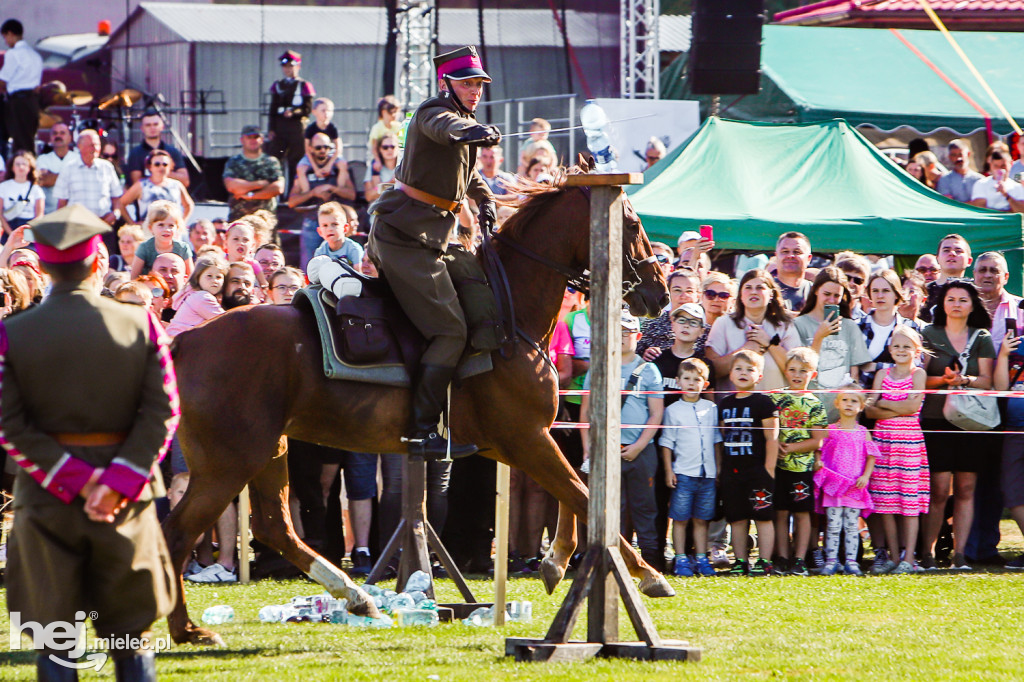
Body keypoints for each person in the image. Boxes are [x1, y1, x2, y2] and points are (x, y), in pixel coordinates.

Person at [0, 204, 177, 679]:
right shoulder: (140, 324)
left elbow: (9, 427)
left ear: (44, 268)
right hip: (126, 501)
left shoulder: (10, 334)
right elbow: (164, 414)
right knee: (129, 637)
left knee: (55, 642)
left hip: (45, 499)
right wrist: (114, 483)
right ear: (98, 263)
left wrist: (76, 481)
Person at [365, 45, 499, 460]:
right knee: (450, 332)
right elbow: (448, 129)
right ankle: (422, 430)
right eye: (467, 83)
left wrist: (486, 198)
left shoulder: (466, 118)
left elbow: (466, 170)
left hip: (428, 240)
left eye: (478, 84)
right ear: (448, 84)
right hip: (403, 240)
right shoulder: (431, 111)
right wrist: (471, 131)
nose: (475, 91)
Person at [920, 280, 994, 571]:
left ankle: (960, 556)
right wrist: (943, 381)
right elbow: (919, 379)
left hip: (971, 421)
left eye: (963, 300)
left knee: (965, 488)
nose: (957, 304)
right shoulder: (928, 333)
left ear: (972, 304)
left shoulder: (982, 336)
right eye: (951, 299)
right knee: (938, 490)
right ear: (943, 303)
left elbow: (989, 382)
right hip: (936, 420)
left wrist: (964, 381)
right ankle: (926, 554)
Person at [581, 312, 664, 570]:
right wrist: (588, 449)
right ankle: (612, 559)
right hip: (605, 451)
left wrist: (639, 446)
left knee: (645, 507)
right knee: (611, 510)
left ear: (638, 337)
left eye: (627, 332)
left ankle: (651, 560)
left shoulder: (650, 370)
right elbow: (585, 413)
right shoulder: (599, 367)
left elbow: (656, 413)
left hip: (642, 451)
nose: (622, 337)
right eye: (617, 331)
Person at [865, 325, 929, 575]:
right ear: (890, 349)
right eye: (897, 346)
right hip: (883, 443)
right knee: (886, 501)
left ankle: (909, 557)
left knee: (909, 502)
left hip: (909, 443)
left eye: (906, 346)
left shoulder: (918, 374)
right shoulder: (882, 374)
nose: (901, 350)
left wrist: (884, 403)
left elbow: (913, 408)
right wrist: (897, 406)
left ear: (916, 350)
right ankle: (893, 556)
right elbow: (869, 410)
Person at [719, 350, 779, 577]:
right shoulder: (724, 403)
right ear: (730, 374)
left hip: (758, 470)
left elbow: (772, 436)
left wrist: (769, 468)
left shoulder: (763, 402)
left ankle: (764, 561)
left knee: (763, 516)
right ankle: (740, 560)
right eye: (738, 369)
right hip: (732, 470)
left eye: (750, 369)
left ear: (759, 376)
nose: (743, 373)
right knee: (736, 517)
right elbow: (723, 436)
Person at [659, 358, 720, 577]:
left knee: (702, 519)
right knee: (680, 518)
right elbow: (666, 443)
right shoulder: (673, 410)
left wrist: (718, 469)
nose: (692, 383)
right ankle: (681, 558)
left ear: (705, 383)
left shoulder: (711, 408)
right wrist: (669, 470)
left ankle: (702, 558)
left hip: (708, 475)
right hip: (683, 473)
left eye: (697, 379)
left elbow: (716, 440)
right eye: (687, 379)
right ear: (678, 381)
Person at [771, 348, 828, 576]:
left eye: (803, 371)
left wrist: (791, 448)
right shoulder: (775, 397)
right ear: (785, 371)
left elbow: (818, 441)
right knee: (781, 512)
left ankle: (799, 559)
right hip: (777, 467)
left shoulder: (814, 404)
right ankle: (782, 557)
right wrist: (774, 446)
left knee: (802, 513)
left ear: (812, 375)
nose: (797, 375)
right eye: (793, 370)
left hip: (802, 468)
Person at [793, 267, 872, 420]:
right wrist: (818, 338)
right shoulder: (798, 324)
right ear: (816, 291)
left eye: (837, 296)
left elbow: (854, 373)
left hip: (840, 412)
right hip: (807, 408)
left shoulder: (849, 326)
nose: (831, 300)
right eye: (827, 294)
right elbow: (798, 368)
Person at [814, 386, 877, 576]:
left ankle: (851, 561)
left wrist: (865, 476)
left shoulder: (863, 432)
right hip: (833, 486)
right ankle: (831, 560)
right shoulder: (830, 430)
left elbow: (871, 456)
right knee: (832, 525)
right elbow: (820, 448)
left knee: (851, 525)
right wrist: (818, 461)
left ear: (861, 406)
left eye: (854, 401)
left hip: (853, 487)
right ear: (837, 403)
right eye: (845, 400)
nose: (849, 404)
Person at [705, 269, 800, 392]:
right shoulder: (724, 323)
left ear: (771, 294)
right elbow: (712, 371)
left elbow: (796, 372)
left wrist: (770, 343)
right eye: (748, 287)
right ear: (741, 295)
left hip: (776, 405)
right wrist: (746, 350)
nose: (753, 292)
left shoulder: (785, 325)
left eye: (760, 288)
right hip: (734, 406)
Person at [288, 134, 355, 267]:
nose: (323, 150)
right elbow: (292, 201)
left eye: (326, 147)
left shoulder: (338, 167)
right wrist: (313, 192)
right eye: (318, 147)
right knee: (310, 266)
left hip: (336, 223)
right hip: (313, 222)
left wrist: (332, 188)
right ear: (311, 149)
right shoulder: (304, 170)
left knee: (341, 265)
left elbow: (352, 194)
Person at [858, 269, 919, 390]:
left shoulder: (910, 328)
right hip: (859, 398)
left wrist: (875, 366)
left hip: (897, 397)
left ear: (896, 293)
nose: (880, 296)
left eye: (886, 291)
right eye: (875, 291)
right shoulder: (858, 326)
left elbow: (915, 366)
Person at [994, 329, 1024, 569]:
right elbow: (1001, 388)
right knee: (1011, 489)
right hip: (1013, 427)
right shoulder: (1015, 342)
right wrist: (1004, 354)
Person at [54, 129, 124, 226]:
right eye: (91, 145)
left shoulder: (107, 167)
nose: (95, 148)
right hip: (77, 225)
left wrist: (115, 214)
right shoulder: (68, 169)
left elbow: (116, 197)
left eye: (97, 145)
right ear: (80, 146)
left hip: (103, 224)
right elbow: (62, 203)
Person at [266, 50, 315, 185]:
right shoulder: (278, 85)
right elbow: (273, 109)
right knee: (275, 159)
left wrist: (294, 112)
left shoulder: (304, 85)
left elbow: (307, 108)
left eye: (291, 66)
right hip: (280, 127)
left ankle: (294, 190)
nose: (288, 69)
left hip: (296, 128)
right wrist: (271, 129)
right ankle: (275, 190)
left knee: (296, 160)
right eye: (285, 66)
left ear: (297, 66)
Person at [638, 268, 705, 360]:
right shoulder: (652, 324)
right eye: (677, 290)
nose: (683, 296)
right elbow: (635, 354)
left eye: (689, 291)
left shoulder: (704, 328)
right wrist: (644, 355)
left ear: (698, 295)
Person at [222, 124, 285, 222]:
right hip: (239, 218)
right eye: (249, 137)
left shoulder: (271, 162)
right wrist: (261, 184)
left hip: (265, 219)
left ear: (262, 139)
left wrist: (250, 195)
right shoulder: (234, 162)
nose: (253, 140)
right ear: (242, 140)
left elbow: (278, 188)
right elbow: (232, 186)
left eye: (256, 137)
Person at [0, 19, 42, 155]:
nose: (6, 41)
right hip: (32, 101)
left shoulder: (14, 54)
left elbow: (3, 80)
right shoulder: (35, 56)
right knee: (28, 139)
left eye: (5, 37)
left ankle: (24, 170)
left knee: (20, 142)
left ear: (10, 34)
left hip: (18, 102)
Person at [120, 149, 194, 224]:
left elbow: (189, 205)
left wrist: (182, 223)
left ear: (171, 166)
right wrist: (132, 224)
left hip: (171, 231)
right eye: (157, 164)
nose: (161, 167)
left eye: (165, 164)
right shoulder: (141, 185)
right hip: (148, 232)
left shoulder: (177, 185)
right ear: (150, 167)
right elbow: (121, 204)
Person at [165, 255, 228, 337]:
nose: (214, 280)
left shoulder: (193, 294)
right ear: (198, 278)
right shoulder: (202, 297)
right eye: (209, 276)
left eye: (218, 277)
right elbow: (225, 321)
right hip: (179, 343)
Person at [130, 201, 194, 279]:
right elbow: (134, 278)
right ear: (151, 228)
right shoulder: (144, 248)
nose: (166, 229)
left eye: (171, 225)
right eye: (161, 225)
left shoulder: (183, 248)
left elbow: (191, 279)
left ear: (177, 227)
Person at [126, 110, 189, 188]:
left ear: (162, 126)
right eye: (148, 125)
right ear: (142, 128)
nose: (152, 128)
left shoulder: (173, 151)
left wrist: (160, 171)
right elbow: (136, 182)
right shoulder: (135, 153)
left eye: (155, 124)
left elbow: (185, 181)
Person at [922, 233, 972, 324]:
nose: (952, 254)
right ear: (937, 259)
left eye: (958, 251)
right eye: (946, 250)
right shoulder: (924, 291)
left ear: (969, 261)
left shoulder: (976, 292)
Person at [0, 150, 44, 235]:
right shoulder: (3, 187)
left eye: (24, 164)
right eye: (17, 164)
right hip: (8, 227)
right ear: (12, 167)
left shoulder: (36, 189)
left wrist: (26, 233)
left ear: (30, 167)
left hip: (29, 229)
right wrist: (10, 233)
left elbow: (39, 215)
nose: (21, 167)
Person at [35, 121, 75, 213]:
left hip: (73, 212)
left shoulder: (77, 158)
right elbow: (43, 180)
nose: (58, 136)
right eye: (55, 133)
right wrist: (72, 176)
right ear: (50, 138)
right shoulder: (43, 159)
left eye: (62, 133)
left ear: (70, 138)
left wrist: (53, 176)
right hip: (49, 213)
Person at [970, 147, 1024, 213]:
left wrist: (1006, 195)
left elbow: (1021, 211)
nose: (999, 170)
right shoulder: (981, 184)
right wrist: (1008, 212)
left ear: (1011, 164)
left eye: (1003, 166)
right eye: (996, 166)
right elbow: (980, 209)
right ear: (990, 165)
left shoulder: (1018, 187)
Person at [313, 201, 364, 268]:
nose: (329, 229)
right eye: (325, 225)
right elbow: (317, 276)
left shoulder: (354, 249)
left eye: (334, 224)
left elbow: (359, 273)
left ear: (345, 228)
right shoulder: (320, 253)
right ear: (320, 232)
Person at [774, 231, 813, 311]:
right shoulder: (764, 290)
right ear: (776, 256)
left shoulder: (816, 293)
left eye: (797, 252)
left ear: (809, 259)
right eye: (785, 251)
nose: (790, 256)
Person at [936, 139, 983, 204]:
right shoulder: (944, 180)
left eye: (960, 154)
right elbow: (948, 203)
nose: (958, 158)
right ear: (949, 157)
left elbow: (982, 202)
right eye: (954, 155)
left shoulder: (979, 179)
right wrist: (973, 203)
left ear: (968, 154)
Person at [303, 97, 340, 173]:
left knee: (343, 164)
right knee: (301, 168)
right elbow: (307, 150)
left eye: (329, 111)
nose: (326, 113)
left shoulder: (332, 128)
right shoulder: (310, 129)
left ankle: (340, 185)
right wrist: (315, 168)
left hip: (329, 155)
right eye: (323, 111)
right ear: (314, 112)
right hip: (313, 156)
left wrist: (329, 165)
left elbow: (338, 148)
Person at [364, 134, 400, 203]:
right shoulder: (373, 167)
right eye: (385, 147)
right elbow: (368, 196)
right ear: (380, 149)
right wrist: (390, 183)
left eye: (393, 147)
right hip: (379, 207)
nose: (389, 150)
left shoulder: (404, 167)